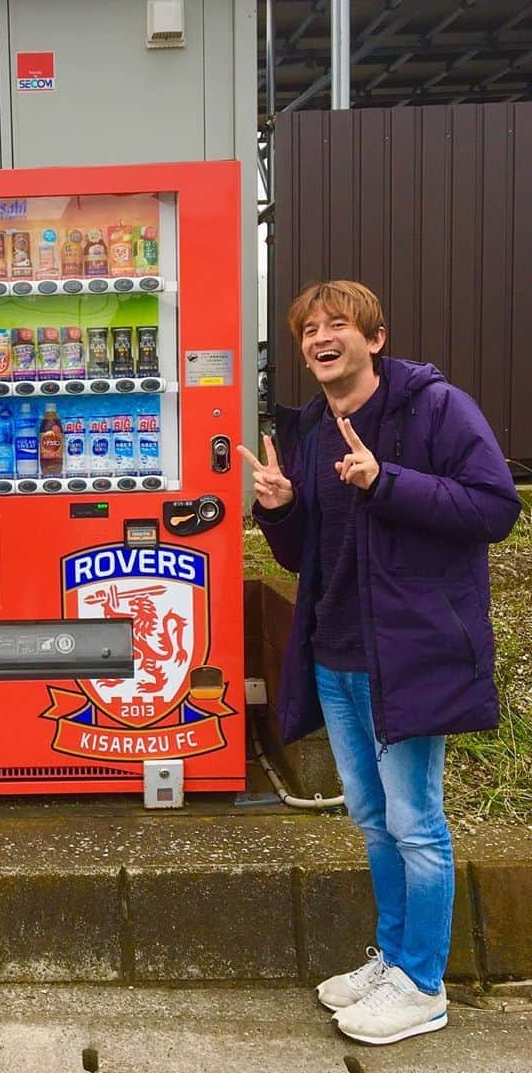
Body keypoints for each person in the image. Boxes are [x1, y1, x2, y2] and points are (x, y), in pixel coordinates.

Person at [239, 280, 519, 1046]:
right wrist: (279, 507)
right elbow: (307, 560)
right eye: (309, 331)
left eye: (338, 326)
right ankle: (392, 960)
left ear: (375, 337)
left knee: (417, 823)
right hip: (336, 654)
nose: (322, 338)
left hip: (408, 652)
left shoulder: (434, 407)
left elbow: (496, 508)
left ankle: (423, 985)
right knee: (371, 820)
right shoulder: (316, 431)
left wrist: (386, 480)